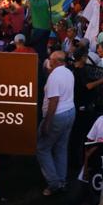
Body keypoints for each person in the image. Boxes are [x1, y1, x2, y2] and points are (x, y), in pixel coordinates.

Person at [37, 50, 75, 196]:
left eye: (51, 59)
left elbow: (54, 100)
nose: (49, 61)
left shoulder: (54, 76)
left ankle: (54, 184)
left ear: (58, 61)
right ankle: (62, 180)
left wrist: (47, 123)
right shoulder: (68, 73)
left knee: (42, 148)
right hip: (70, 112)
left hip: (57, 116)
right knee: (61, 148)